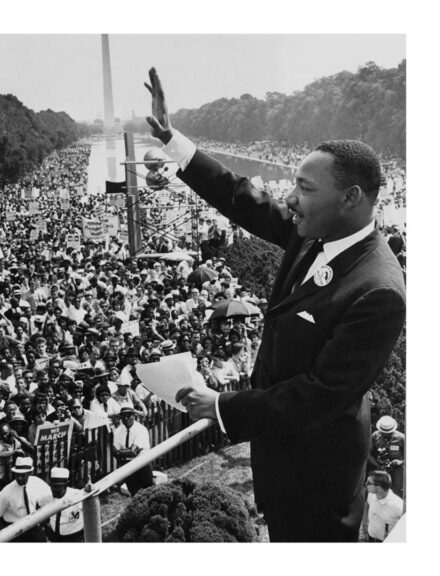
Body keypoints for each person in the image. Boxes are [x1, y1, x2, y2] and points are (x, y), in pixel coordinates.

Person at [150, 67, 407, 541]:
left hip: (318, 479)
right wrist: (174, 142)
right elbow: (243, 198)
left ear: (351, 198)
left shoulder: (380, 291)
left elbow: (319, 395)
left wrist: (223, 406)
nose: (290, 199)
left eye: (305, 189)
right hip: (284, 457)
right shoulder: (318, 231)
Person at [0, 456, 53, 542]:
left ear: (30, 473)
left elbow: (50, 502)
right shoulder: (8, 490)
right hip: (16, 532)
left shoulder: (37, 483)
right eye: (17, 475)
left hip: (34, 527)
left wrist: (44, 522)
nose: (19, 478)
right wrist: (4, 535)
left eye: (22, 475)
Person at [112, 407, 153, 495]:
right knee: (133, 493)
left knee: (147, 493)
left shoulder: (141, 430)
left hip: (142, 465)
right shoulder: (118, 431)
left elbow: (134, 452)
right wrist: (122, 453)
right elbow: (114, 452)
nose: (126, 418)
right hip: (127, 466)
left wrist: (120, 453)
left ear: (134, 416)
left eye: (129, 415)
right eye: (123, 416)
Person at [45, 467, 87, 542]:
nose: (54, 490)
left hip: (75, 537)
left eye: (58, 487)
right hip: (55, 537)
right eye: (52, 486)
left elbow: (91, 512)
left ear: (66, 485)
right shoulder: (47, 496)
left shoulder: (77, 496)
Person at [369, 415, 405, 498]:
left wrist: (400, 462)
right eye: (383, 431)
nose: (385, 433)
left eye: (388, 432)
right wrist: (377, 465)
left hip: (397, 470)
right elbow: (368, 454)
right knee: (379, 491)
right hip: (380, 469)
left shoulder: (401, 438)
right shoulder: (375, 436)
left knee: (396, 492)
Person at [365, 471, 403, 542]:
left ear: (378, 488)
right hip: (371, 538)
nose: (366, 484)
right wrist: (365, 525)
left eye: (369, 483)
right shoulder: (371, 495)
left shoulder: (398, 506)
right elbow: (367, 504)